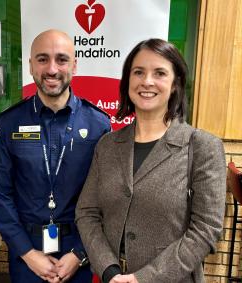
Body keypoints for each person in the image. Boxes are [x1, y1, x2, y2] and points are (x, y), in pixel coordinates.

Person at [75, 38, 226, 283]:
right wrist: (109, 270)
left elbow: (206, 229)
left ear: (175, 84)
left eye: (159, 73)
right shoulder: (108, 145)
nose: (147, 81)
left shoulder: (202, 147)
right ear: (127, 82)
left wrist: (143, 278)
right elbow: (86, 212)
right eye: (138, 72)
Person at [0, 29, 111, 283]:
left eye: (62, 59)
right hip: (26, 256)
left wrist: (79, 254)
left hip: (79, 253)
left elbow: (107, 195)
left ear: (74, 65)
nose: (52, 69)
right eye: (42, 59)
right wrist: (27, 252)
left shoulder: (99, 125)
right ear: (31, 65)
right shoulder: (10, 123)